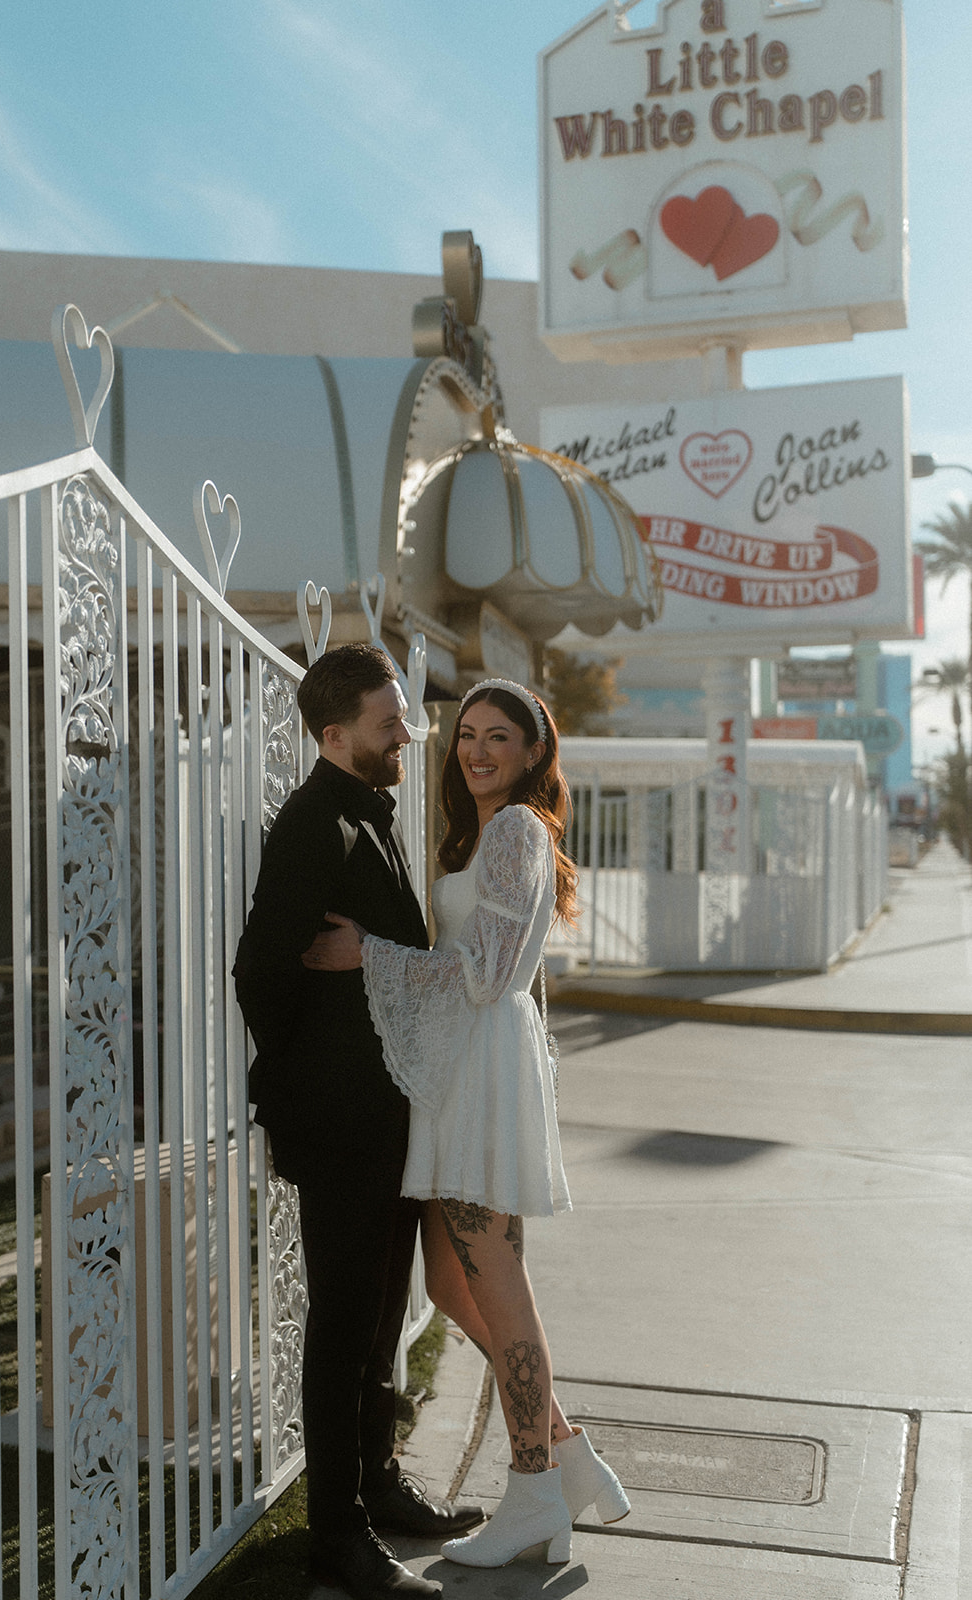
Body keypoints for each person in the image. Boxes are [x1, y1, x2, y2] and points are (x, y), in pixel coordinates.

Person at [304, 678, 631, 1570]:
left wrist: (364, 953)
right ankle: (564, 1455)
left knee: (495, 1281)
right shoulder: (477, 835)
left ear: (533, 753)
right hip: (465, 1071)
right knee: (453, 1287)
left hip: (485, 1074)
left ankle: (532, 1489)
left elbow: (483, 973)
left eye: (500, 737)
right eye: (467, 736)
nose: (478, 750)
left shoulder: (520, 830)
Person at [233, 643, 483, 1600]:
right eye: (391, 723)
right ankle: (335, 1537)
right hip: (340, 1122)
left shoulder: (367, 815)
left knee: (381, 1316)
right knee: (342, 1327)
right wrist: (312, 1080)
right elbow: (263, 971)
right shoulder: (312, 827)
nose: (409, 733)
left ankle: (378, 1487)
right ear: (335, 737)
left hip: (384, 1116)